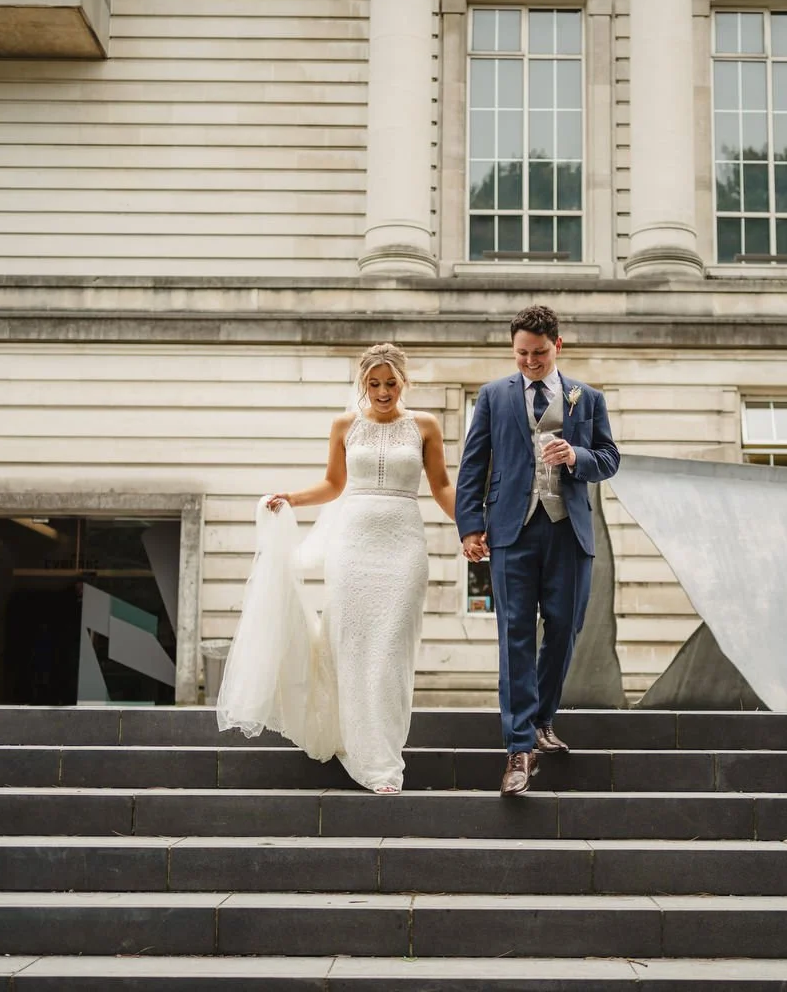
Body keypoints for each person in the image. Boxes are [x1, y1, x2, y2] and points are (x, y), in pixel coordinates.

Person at [217, 343, 455, 794]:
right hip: (353, 548)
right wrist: (291, 498)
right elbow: (334, 484)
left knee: (389, 653)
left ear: (404, 381)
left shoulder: (425, 425)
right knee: (351, 648)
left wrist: (473, 526)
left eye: (390, 383)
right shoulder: (345, 425)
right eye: (373, 384)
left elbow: (442, 486)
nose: (383, 392)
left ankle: (382, 758)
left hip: (403, 547)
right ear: (362, 384)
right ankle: (355, 744)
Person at [455, 305, 620, 796]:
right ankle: (519, 748)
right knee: (515, 635)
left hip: (568, 530)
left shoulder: (586, 398)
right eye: (522, 353)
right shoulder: (492, 396)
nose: (530, 361)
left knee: (565, 629)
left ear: (558, 347)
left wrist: (577, 456)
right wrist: (470, 525)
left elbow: (610, 458)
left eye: (540, 353)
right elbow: (473, 463)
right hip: (512, 530)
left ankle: (542, 718)